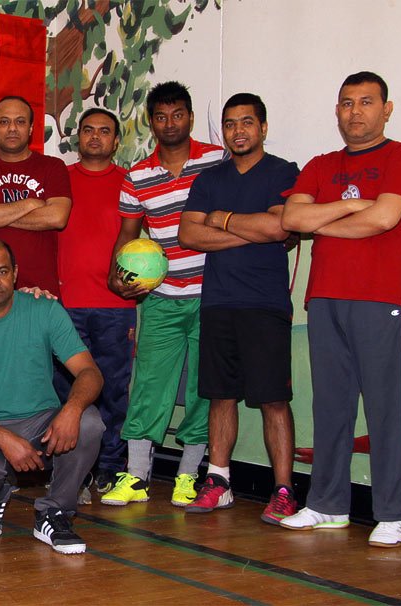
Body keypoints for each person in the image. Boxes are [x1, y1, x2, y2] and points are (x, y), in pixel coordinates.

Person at [279, 71, 401, 547]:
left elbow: (385, 218)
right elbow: (292, 218)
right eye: (346, 103)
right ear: (337, 110)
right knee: (330, 409)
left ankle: (394, 512)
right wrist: (352, 207)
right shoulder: (321, 164)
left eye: (366, 102)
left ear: (386, 109)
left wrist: (325, 219)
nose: (355, 111)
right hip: (325, 299)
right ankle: (326, 505)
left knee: (387, 410)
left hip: (383, 299)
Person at [176, 93, 301, 523]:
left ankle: (284, 490)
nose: (238, 131)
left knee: (273, 400)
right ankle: (219, 481)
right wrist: (255, 230)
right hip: (218, 303)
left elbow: (280, 225)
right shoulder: (209, 180)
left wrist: (223, 220)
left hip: (264, 305)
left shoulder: (283, 172)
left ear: (263, 128)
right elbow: (189, 235)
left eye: (247, 122)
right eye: (230, 124)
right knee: (220, 396)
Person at [0, 238, 105, 554]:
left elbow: (90, 372)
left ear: (15, 273)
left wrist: (71, 408)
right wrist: (3, 438)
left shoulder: (45, 311)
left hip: (43, 423)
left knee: (89, 421)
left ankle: (55, 511)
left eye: (2, 271)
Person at [103, 81, 226, 508]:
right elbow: (127, 234)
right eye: (161, 116)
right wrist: (115, 277)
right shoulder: (137, 175)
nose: (169, 123)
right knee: (149, 387)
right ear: (151, 122)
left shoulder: (217, 159)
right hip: (161, 298)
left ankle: (188, 476)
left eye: (178, 114)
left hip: (214, 298)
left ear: (189, 117)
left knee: (203, 389)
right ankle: (136, 477)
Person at [56, 108, 135, 493]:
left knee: (114, 389)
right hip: (65, 306)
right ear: (78, 137)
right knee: (67, 390)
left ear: (115, 141)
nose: (95, 137)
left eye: (105, 132)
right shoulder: (60, 180)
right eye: (88, 130)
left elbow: (146, 246)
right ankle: (75, 469)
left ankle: (108, 466)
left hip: (117, 309)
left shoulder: (130, 183)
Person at [0, 96, 72, 294]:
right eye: (4, 122)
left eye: (20, 121)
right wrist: (30, 204)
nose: (12, 128)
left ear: (30, 129)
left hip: (43, 291)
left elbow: (57, 217)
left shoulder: (53, 167)